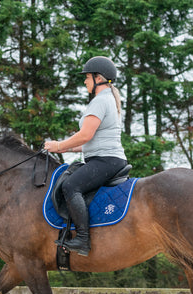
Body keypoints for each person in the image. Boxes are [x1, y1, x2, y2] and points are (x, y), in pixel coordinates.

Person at [44, 56, 127, 256]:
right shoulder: (109, 100)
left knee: (70, 185)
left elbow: (85, 135)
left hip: (106, 161)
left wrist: (58, 144)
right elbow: (93, 142)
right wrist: (65, 149)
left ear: (98, 78)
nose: (85, 81)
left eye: (87, 77)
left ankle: (82, 239)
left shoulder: (100, 101)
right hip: (107, 158)